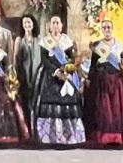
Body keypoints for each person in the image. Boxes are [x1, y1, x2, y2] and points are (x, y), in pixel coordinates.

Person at [84, 19, 123, 145]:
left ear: (112, 29)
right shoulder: (98, 46)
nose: (107, 30)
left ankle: (118, 137)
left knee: (118, 108)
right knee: (105, 109)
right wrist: (89, 79)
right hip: (102, 81)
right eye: (104, 28)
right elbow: (93, 66)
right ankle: (105, 137)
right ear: (102, 30)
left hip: (117, 80)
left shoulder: (119, 45)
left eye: (109, 27)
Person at [32, 14, 86, 145]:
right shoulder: (45, 41)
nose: (55, 25)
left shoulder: (66, 40)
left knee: (69, 101)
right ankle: (49, 136)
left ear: (61, 26)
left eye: (57, 23)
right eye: (53, 23)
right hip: (49, 76)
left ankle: (70, 136)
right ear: (50, 26)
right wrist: (56, 71)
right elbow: (44, 60)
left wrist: (67, 69)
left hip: (66, 74)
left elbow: (71, 58)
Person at [13, 13, 43, 129]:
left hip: (37, 74)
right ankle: (26, 128)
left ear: (33, 24)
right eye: (24, 23)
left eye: (29, 22)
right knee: (24, 101)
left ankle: (36, 127)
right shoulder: (19, 40)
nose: (27, 25)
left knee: (36, 101)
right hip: (23, 75)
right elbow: (15, 59)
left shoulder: (39, 40)